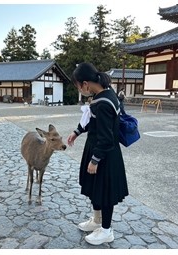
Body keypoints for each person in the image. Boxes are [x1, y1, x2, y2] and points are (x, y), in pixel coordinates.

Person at [66, 63, 129, 245]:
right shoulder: (103, 95)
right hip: (98, 149)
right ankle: (96, 221)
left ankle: (106, 230)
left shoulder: (104, 103)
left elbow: (106, 137)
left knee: (105, 191)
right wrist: (77, 132)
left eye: (77, 86)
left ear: (85, 83)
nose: (79, 89)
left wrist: (95, 160)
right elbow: (90, 121)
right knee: (95, 188)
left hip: (105, 154)